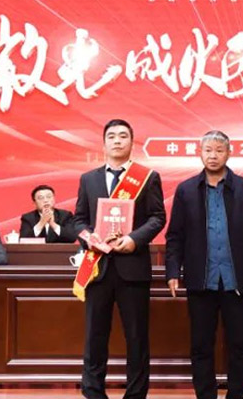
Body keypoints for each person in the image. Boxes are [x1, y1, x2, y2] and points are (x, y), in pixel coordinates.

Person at [165, 130, 243, 399]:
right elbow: (175, 235)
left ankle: (237, 394)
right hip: (201, 279)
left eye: (219, 150)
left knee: (239, 344)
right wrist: (173, 271)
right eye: (208, 150)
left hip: (237, 280)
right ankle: (205, 394)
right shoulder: (186, 190)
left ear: (228, 153)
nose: (213, 156)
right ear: (200, 153)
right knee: (201, 345)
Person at [73, 119, 166, 399]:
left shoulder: (147, 177)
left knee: (136, 337)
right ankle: (93, 392)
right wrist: (89, 238)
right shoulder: (88, 179)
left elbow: (157, 217)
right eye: (111, 136)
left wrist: (134, 239)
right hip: (97, 268)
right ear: (103, 143)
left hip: (132, 267)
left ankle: (135, 394)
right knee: (95, 336)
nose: (117, 140)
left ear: (131, 142)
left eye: (123, 136)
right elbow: (78, 220)